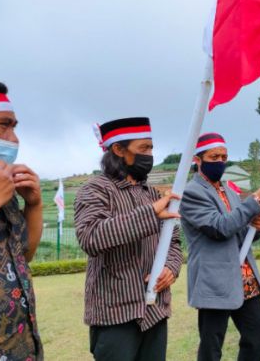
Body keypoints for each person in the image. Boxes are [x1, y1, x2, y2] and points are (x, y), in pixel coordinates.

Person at [74, 117, 183, 361]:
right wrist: (151, 214)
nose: (150, 154)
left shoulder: (152, 194)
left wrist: (171, 268)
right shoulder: (95, 189)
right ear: (119, 150)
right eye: (143, 148)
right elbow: (90, 237)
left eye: (151, 148)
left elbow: (173, 240)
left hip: (155, 310)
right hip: (115, 315)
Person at [180, 133, 260, 361]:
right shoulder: (192, 193)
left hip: (244, 278)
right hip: (214, 280)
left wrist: (257, 227)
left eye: (224, 157)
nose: (220, 161)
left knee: (257, 335)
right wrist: (254, 201)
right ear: (198, 159)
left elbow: (240, 233)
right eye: (214, 156)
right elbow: (220, 228)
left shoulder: (229, 192)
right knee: (212, 345)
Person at [0, 80, 44, 360]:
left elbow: (25, 256)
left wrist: (33, 204)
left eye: (15, 127)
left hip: (19, 343)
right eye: (3, 125)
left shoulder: (3, 184)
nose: (13, 139)